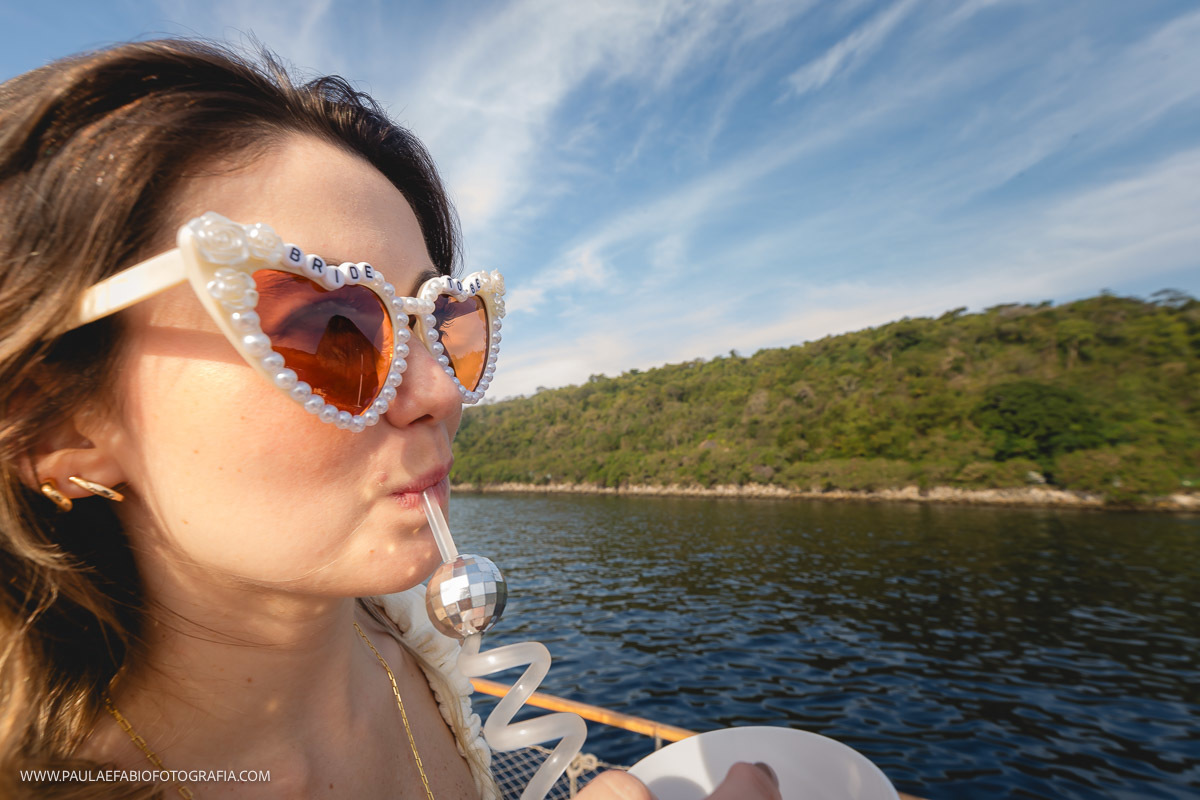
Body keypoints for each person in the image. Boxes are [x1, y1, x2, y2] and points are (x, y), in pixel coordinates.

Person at [0, 39, 780, 800]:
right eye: (330, 327)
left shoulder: (419, 640)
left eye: (443, 319)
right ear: (58, 427)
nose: (442, 391)